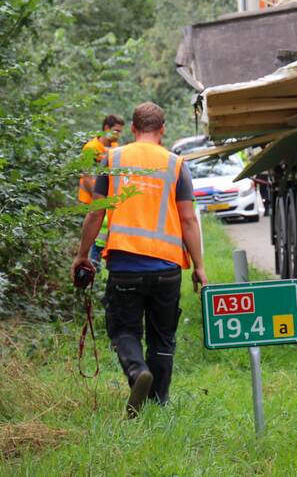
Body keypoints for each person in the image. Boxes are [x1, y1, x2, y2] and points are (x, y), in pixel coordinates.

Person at [71, 102, 208, 416]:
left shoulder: (113, 158)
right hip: (167, 267)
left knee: (124, 331)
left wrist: (81, 256)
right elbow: (188, 220)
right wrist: (199, 266)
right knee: (163, 337)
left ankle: (137, 372)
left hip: (125, 265)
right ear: (162, 130)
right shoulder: (176, 165)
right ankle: (158, 402)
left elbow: (95, 213)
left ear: (132, 129)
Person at [78, 114, 125, 270]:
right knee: (92, 237)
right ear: (106, 128)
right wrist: (100, 200)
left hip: (108, 201)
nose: (118, 134)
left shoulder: (116, 148)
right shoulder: (91, 148)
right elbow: (86, 177)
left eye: (120, 132)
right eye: (116, 131)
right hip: (90, 201)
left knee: (105, 236)